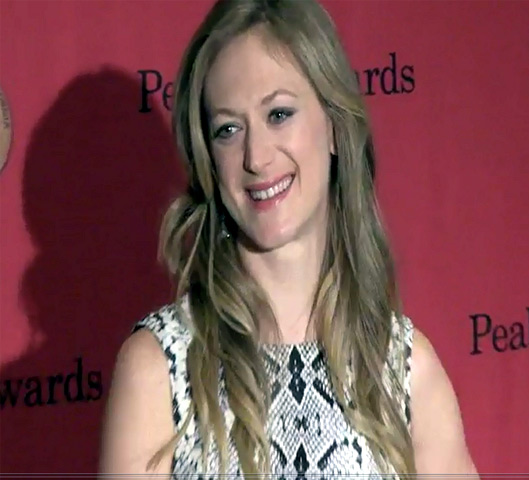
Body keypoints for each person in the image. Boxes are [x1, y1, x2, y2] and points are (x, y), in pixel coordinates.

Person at [98, 0, 479, 478]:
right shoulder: (158, 369)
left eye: (279, 114)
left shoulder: (405, 370)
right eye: (229, 129)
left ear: (336, 127)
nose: (256, 157)